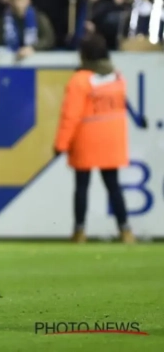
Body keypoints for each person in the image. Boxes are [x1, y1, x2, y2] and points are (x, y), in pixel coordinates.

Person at [54, 33, 135, 244]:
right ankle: (125, 230)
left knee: (82, 187)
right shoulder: (117, 77)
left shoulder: (80, 80)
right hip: (112, 139)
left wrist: (61, 144)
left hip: (86, 138)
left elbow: (70, 115)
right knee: (113, 186)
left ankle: (79, 231)